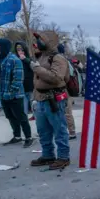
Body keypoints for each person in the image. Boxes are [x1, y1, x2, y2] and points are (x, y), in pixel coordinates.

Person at [30, 32, 70, 170]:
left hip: (54, 99)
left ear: (49, 41)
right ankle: (48, 155)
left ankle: (63, 157)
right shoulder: (41, 56)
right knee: (43, 131)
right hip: (40, 99)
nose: (38, 42)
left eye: (40, 39)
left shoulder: (58, 58)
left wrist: (37, 68)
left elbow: (56, 78)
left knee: (59, 129)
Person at [0, 38, 33, 148]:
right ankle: (17, 136)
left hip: (15, 95)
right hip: (3, 94)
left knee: (21, 116)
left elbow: (18, 79)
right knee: (10, 117)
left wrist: (11, 92)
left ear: (3, 46)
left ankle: (28, 137)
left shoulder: (14, 59)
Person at [57, 44, 77, 140]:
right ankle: (70, 131)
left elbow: (67, 76)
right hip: (66, 89)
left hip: (64, 89)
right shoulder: (66, 60)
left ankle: (71, 132)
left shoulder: (62, 61)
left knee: (66, 111)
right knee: (65, 111)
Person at [14, 42, 34, 118]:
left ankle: (35, 115)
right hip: (21, 85)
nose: (20, 52)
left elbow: (34, 68)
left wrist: (25, 59)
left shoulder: (29, 58)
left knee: (32, 101)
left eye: (22, 50)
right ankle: (24, 117)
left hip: (30, 85)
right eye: (18, 50)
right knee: (24, 102)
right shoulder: (16, 60)